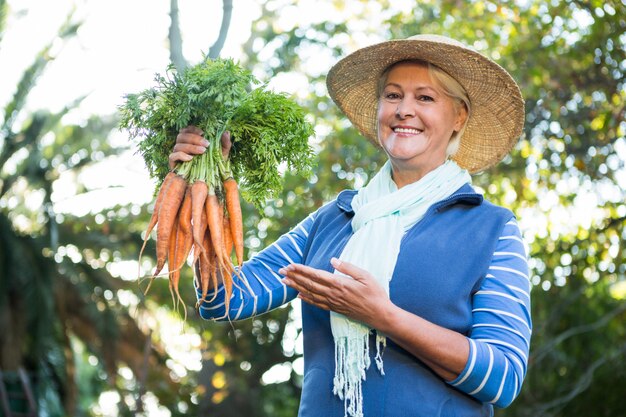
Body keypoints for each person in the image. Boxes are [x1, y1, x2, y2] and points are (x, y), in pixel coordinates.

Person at [169, 34, 530, 417]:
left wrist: (383, 316)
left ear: (459, 117)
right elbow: (222, 299)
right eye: (392, 96)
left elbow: (502, 378)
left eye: (425, 98)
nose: (404, 109)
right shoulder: (334, 220)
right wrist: (203, 184)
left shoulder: (492, 230)